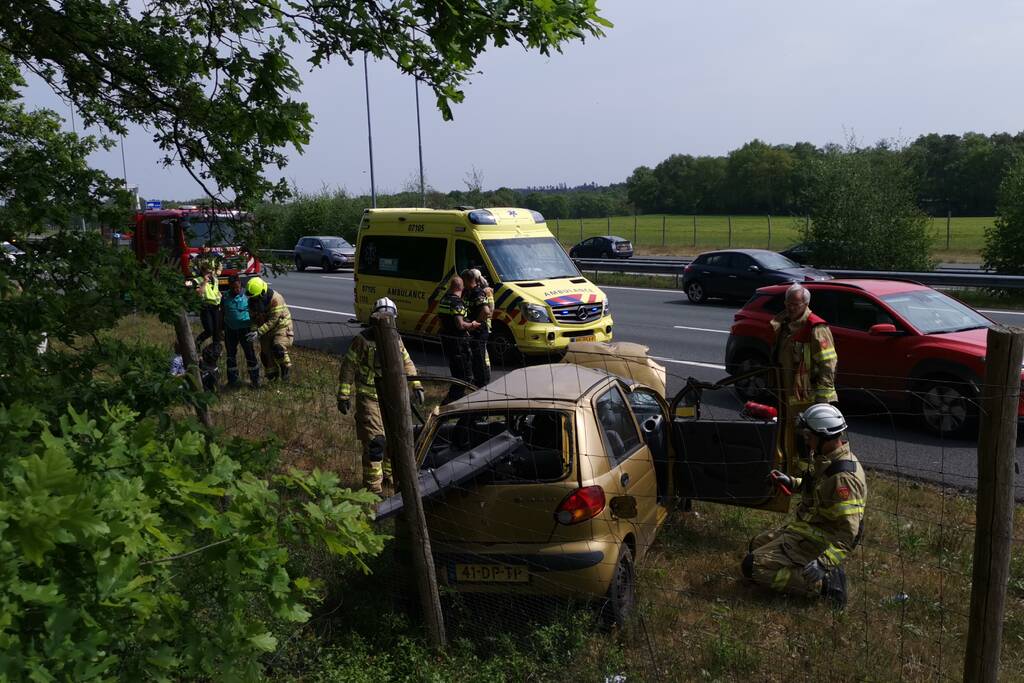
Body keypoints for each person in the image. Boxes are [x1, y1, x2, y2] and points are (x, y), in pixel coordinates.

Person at [740, 403, 867, 610]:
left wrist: (823, 563)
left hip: (819, 541)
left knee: (752, 567)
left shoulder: (843, 478)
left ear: (825, 437)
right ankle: (807, 571)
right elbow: (817, 488)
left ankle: (825, 585)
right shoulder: (827, 460)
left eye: (810, 436)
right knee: (756, 545)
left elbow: (849, 533)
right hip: (806, 531)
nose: (806, 440)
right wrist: (791, 482)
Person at [337, 297, 425, 494]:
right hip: (369, 397)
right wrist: (343, 395)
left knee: (394, 439)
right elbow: (348, 367)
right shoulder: (362, 340)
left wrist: (416, 385)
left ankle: (390, 481)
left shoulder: (396, 338)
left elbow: (407, 362)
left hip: (392, 397)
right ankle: (373, 490)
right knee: (376, 441)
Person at [771, 283, 837, 408]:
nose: (791, 308)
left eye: (796, 305)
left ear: (806, 304)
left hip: (806, 394)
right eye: (788, 303)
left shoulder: (816, 328)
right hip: (784, 391)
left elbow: (828, 364)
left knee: (802, 421)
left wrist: (822, 398)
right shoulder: (782, 324)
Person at [436, 275, 480, 403]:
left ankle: (455, 398)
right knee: (464, 375)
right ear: (462, 287)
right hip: (459, 342)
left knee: (456, 372)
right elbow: (460, 324)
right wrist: (472, 325)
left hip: (447, 340)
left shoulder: (444, 300)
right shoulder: (457, 303)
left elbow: (440, 321)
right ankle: (452, 401)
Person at [245, 276, 294, 381]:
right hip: (264, 329)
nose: (254, 300)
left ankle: (285, 369)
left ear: (263, 292)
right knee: (265, 354)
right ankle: (273, 377)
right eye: (252, 297)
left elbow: (273, 320)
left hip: (281, 327)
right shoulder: (252, 302)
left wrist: (259, 332)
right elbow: (253, 319)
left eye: (255, 297)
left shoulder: (276, 299)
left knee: (278, 348)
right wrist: (254, 331)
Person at [222, 275, 261, 388]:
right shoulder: (225, 297)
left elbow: (255, 312)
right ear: (230, 287)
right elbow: (221, 313)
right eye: (234, 288)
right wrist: (220, 329)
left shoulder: (247, 296)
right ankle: (232, 380)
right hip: (230, 330)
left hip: (245, 330)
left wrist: (255, 326)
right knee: (230, 355)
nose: (237, 290)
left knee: (250, 354)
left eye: (238, 287)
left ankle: (255, 380)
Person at [462, 268, 494, 387]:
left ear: (468, 280)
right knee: (474, 358)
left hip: (479, 331)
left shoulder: (477, 292)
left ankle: (483, 384)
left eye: (463, 281)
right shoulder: (468, 292)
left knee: (479, 359)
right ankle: (477, 383)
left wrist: (476, 322)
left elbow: (486, 311)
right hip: (472, 331)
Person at [194, 261, 223, 356]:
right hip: (206, 307)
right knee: (209, 330)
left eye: (211, 272)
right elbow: (199, 293)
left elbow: (216, 290)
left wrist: (219, 295)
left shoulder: (215, 279)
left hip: (216, 307)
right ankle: (197, 343)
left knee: (217, 331)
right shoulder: (198, 280)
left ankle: (216, 352)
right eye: (207, 272)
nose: (210, 274)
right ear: (203, 272)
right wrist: (205, 282)